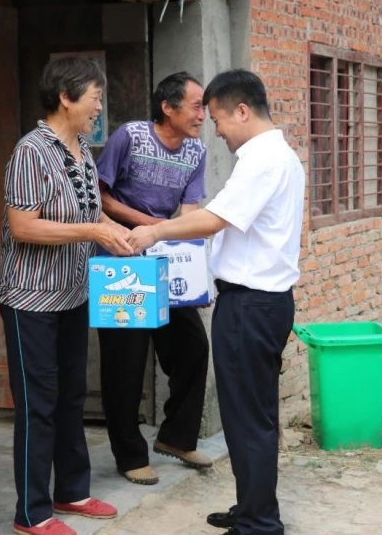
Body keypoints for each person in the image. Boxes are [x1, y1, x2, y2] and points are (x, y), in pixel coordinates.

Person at [127, 69, 305, 535]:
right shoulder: (274, 157)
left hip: (251, 306)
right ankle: (252, 510)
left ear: (242, 111)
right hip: (259, 304)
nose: (216, 130)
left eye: (219, 120)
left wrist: (155, 230)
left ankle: (259, 524)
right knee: (251, 415)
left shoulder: (263, 160)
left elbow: (214, 219)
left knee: (248, 419)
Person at [0, 57, 133, 535]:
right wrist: (94, 230)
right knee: (39, 403)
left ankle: (72, 490)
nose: (99, 107)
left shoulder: (82, 149)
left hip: (73, 293)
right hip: (30, 300)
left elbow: (89, 217)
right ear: (65, 96)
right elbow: (24, 225)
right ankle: (31, 514)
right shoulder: (31, 151)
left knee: (71, 397)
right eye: (94, 98)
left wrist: (121, 236)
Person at [96, 71, 213, 486]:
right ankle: (129, 455)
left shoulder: (196, 151)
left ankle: (176, 438)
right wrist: (147, 222)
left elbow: (190, 209)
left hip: (166, 263)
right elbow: (100, 195)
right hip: (121, 261)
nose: (203, 114)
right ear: (168, 106)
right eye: (197, 105)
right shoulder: (130, 136)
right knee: (125, 363)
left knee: (193, 348)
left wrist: (191, 266)